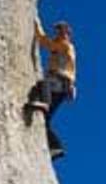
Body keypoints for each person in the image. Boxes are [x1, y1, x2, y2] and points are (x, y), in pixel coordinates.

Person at [27, 18, 77, 159]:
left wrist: (37, 26)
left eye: (62, 30)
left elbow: (45, 43)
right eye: (58, 30)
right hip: (63, 86)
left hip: (61, 81)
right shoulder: (62, 45)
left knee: (43, 85)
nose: (59, 33)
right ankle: (56, 147)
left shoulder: (65, 45)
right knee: (46, 120)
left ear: (67, 33)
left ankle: (45, 103)